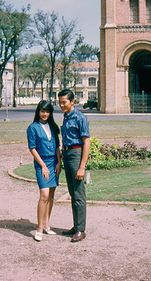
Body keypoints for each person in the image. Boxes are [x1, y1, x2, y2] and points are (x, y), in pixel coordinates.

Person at [58, 89, 90, 243]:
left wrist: (82, 166)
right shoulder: (66, 116)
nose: (61, 105)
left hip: (76, 155)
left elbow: (86, 142)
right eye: (60, 102)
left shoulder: (79, 117)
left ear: (72, 102)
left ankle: (81, 230)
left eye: (64, 102)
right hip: (67, 155)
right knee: (72, 192)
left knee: (78, 194)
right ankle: (76, 226)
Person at [26, 100, 61, 242]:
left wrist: (59, 162)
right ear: (38, 112)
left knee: (51, 194)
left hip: (54, 163)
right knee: (44, 194)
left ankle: (47, 225)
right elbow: (32, 148)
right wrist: (43, 166)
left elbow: (57, 146)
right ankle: (39, 228)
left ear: (50, 113)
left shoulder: (53, 127)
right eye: (42, 111)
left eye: (47, 111)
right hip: (42, 163)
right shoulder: (32, 127)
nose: (45, 114)